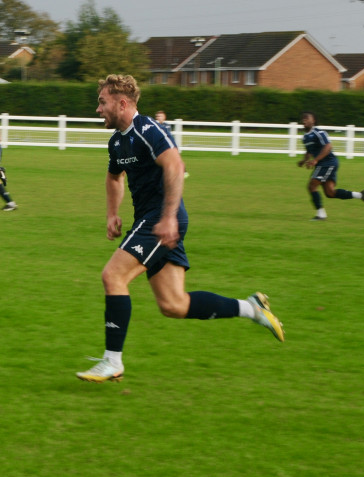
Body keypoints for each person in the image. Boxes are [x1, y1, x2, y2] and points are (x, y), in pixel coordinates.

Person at [76, 74, 284, 383]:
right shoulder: (117, 141)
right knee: (174, 304)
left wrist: (169, 217)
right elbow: (114, 176)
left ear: (122, 103)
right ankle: (251, 308)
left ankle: (112, 362)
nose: (98, 109)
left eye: (102, 102)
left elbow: (175, 165)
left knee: (113, 275)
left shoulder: (148, 130)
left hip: (160, 219)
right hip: (151, 219)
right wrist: (111, 213)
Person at [298, 111, 364, 220]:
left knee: (312, 186)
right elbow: (309, 151)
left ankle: (321, 215)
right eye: (303, 119)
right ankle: (361, 195)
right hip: (323, 164)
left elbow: (328, 147)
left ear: (313, 120)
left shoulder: (319, 133)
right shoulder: (305, 137)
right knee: (330, 193)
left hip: (328, 162)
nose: (304, 120)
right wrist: (303, 160)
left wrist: (315, 160)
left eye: (307, 118)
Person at [155, 110, 188, 178]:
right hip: (162, 146)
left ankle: (184, 171)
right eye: (157, 116)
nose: (158, 117)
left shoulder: (166, 125)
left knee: (177, 159)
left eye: (160, 116)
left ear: (164, 117)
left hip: (170, 145)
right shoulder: (156, 125)